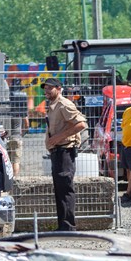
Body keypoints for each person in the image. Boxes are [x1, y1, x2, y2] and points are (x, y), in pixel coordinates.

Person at [42, 78, 87, 231]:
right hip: (57, 151)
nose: (47, 91)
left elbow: (81, 124)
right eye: (45, 88)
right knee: (60, 190)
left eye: (50, 88)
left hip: (65, 151)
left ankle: (68, 227)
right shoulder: (53, 105)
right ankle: (63, 226)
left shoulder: (64, 104)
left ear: (59, 88)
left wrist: (58, 138)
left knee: (65, 189)